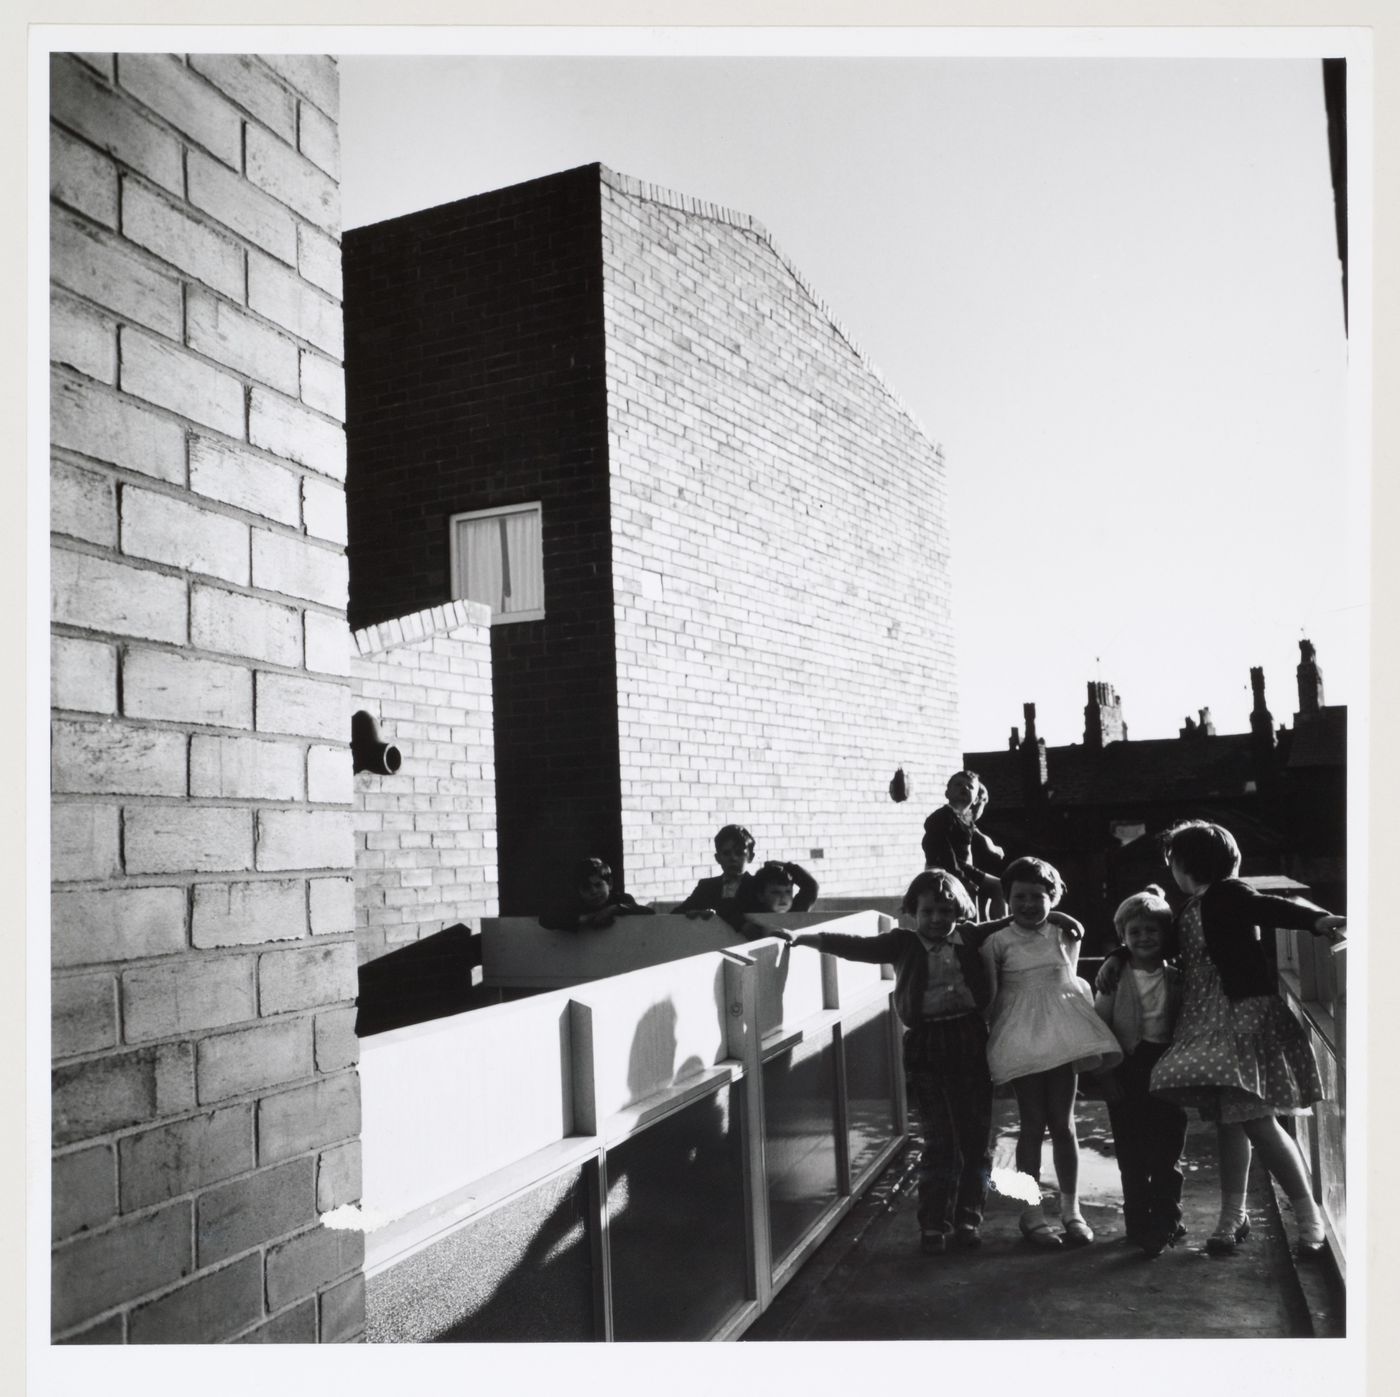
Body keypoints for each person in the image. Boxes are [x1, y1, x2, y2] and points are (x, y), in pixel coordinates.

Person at [1098, 820, 1345, 1258]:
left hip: (1239, 1018)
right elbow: (1154, 943)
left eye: (1172, 861)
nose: (1170, 869)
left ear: (1185, 863)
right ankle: (1233, 1215)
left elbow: (1269, 907)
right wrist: (1119, 953)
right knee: (1232, 1119)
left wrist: (1317, 920)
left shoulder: (1226, 894)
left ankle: (1309, 1215)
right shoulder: (1192, 908)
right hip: (1210, 1021)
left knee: (1257, 1121)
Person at [789, 870, 995, 1255]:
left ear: (959, 911)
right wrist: (805, 938)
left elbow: (1015, 919)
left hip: (970, 1039)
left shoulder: (969, 936)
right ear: (912, 911)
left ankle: (969, 1218)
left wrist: (1060, 917)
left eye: (946, 911)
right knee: (940, 1139)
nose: (937, 919)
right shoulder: (903, 943)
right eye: (928, 911)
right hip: (927, 1044)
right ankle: (934, 1223)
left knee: (975, 1136)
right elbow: (856, 946)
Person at [981, 856, 1123, 1249]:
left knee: (1063, 1123)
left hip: (1062, 1034)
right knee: (1031, 1123)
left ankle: (1071, 1210)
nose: (1028, 904)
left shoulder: (1065, 933)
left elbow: (1070, 980)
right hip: (1022, 1036)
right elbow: (992, 996)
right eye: (1019, 896)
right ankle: (1031, 1213)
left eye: (1038, 897)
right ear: (1007, 899)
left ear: (1053, 897)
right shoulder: (997, 941)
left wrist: (1058, 915)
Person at [1093, 885, 1188, 1257]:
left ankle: (1166, 1221)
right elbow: (1099, 1030)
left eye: (1152, 930)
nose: (1144, 938)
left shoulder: (1177, 976)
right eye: (1134, 932)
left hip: (1166, 1066)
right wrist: (1105, 1077)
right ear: (1123, 937)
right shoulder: (1113, 978)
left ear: (1165, 935)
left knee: (1167, 1151)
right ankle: (1138, 1223)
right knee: (1131, 1153)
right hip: (1126, 1067)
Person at [922, 771, 1005, 916]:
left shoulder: (964, 819)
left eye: (970, 787)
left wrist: (994, 849)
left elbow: (980, 836)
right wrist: (961, 878)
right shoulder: (941, 818)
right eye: (959, 784)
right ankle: (982, 930)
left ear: (975, 799)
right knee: (979, 897)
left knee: (999, 887)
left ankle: (995, 928)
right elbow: (944, 853)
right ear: (947, 793)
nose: (965, 788)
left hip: (964, 868)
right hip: (945, 870)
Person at [539, 857, 655, 933]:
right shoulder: (577, 905)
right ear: (578, 891)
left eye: (598, 885)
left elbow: (649, 912)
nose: (593, 891)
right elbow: (545, 919)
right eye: (586, 888)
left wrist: (614, 909)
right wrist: (586, 918)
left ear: (609, 884)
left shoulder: (622, 899)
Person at [744, 859, 820, 914]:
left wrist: (786, 866)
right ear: (761, 896)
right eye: (776, 892)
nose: (783, 897)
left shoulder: (795, 912)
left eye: (788, 892)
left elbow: (811, 886)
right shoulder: (753, 914)